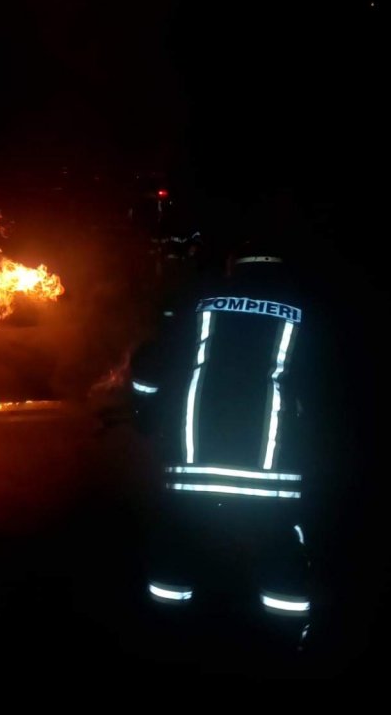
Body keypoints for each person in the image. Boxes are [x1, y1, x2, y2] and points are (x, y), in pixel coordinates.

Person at [130, 232, 322, 664]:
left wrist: (144, 412)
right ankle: (288, 652)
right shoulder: (309, 312)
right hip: (272, 479)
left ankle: (165, 645)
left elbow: (149, 364)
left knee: (177, 554)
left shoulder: (199, 303)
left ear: (234, 263)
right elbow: (330, 393)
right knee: (279, 560)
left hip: (192, 471)